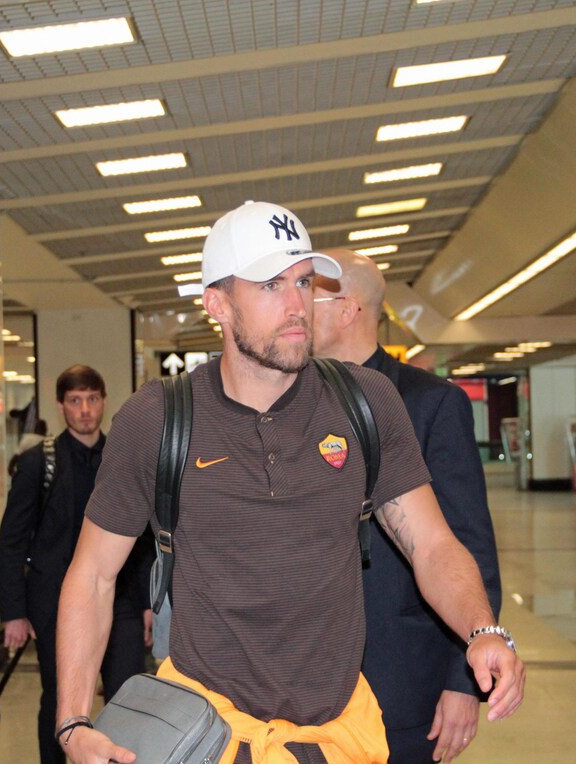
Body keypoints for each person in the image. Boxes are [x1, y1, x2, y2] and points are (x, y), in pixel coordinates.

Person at [54, 201, 524, 764]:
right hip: (208, 735)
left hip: (340, 736)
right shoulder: (158, 419)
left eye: (303, 281)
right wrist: (72, 721)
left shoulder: (365, 403)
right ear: (217, 303)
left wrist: (482, 629)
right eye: (271, 284)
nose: (297, 304)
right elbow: (93, 575)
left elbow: (431, 544)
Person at [312, 249, 502, 763]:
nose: (294, 307)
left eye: (308, 294)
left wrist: (462, 681)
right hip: (305, 682)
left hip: (401, 678)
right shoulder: (291, 403)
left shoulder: (428, 403)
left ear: (347, 309)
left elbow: (468, 542)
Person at [0, 365, 153, 764]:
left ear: (104, 401)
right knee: (59, 699)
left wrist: (148, 602)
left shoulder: (123, 459)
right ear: (61, 405)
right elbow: (13, 539)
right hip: (54, 603)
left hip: (121, 600)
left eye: (92, 399)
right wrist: (14, 612)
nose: (85, 409)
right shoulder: (37, 463)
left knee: (127, 698)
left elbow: (144, 538)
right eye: (75, 400)